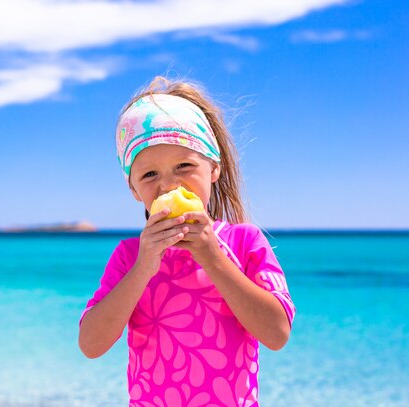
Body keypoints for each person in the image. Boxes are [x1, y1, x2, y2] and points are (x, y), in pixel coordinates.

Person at [78, 77, 296, 406]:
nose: (168, 185)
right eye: (150, 175)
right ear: (134, 190)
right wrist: (143, 270)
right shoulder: (130, 257)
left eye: (184, 166)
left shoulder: (243, 242)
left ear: (213, 168)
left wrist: (213, 257)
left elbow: (277, 333)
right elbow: (91, 345)